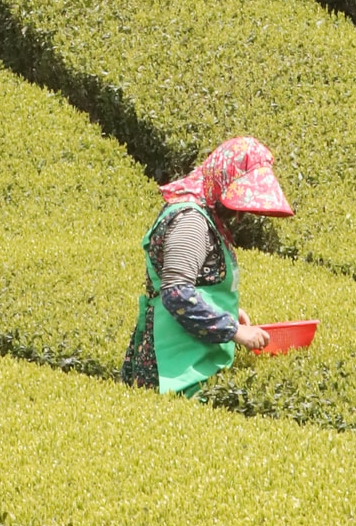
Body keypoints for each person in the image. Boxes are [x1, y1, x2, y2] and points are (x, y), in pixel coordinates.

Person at [121, 135, 294, 395]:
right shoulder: (191, 221)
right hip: (174, 364)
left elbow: (201, 281)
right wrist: (233, 330)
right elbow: (176, 291)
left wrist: (225, 311)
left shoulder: (205, 215)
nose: (238, 215)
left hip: (192, 359)